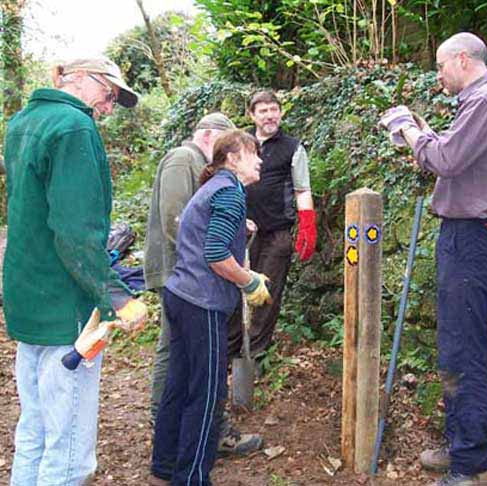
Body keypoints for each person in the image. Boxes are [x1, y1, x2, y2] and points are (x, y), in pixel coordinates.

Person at [380, 32, 487, 486]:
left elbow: (446, 158)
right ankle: (464, 444)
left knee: (465, 349)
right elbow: (450, 155)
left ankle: (475, 467)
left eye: (441, 66)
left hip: (477, 237)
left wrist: (409, 130)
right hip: (467, 234)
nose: (437, 75)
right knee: (456, 345)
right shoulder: (478, 104)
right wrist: (422, 135)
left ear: (462, 60)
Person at [3, 57, 147, 486]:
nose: (108, 107)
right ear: (82, 80)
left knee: (34, 431)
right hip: (68, 312)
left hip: (29, 303)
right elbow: (77, 231)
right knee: (69, 454)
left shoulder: (23, 122)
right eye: (109, 94)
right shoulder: (74, 128)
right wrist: (116, 297)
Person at [150, 129, 271, 486]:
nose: (260, 160)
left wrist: (239, 233)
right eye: (253, 154)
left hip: (180, 295)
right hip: (201, 304)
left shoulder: (213, 187)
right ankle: (191, 479)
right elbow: (216, 255)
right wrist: (248, 281)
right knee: (207, 395)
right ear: (232, 158)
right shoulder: (230, 192)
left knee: (179, 386)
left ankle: (165, 468)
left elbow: (208, 236)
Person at [228, 90, 317, 359]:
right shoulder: (239, 144)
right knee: (235, 290)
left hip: (277, 233)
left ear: (280, 112)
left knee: (266, 293)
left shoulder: (292, 147)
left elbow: (302, 189)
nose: (270, 115)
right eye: (263, 110)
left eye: (274, 109)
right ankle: (231, 350)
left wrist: (307, 226)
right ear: (252, 115)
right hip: (239, 232)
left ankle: (253, 354)